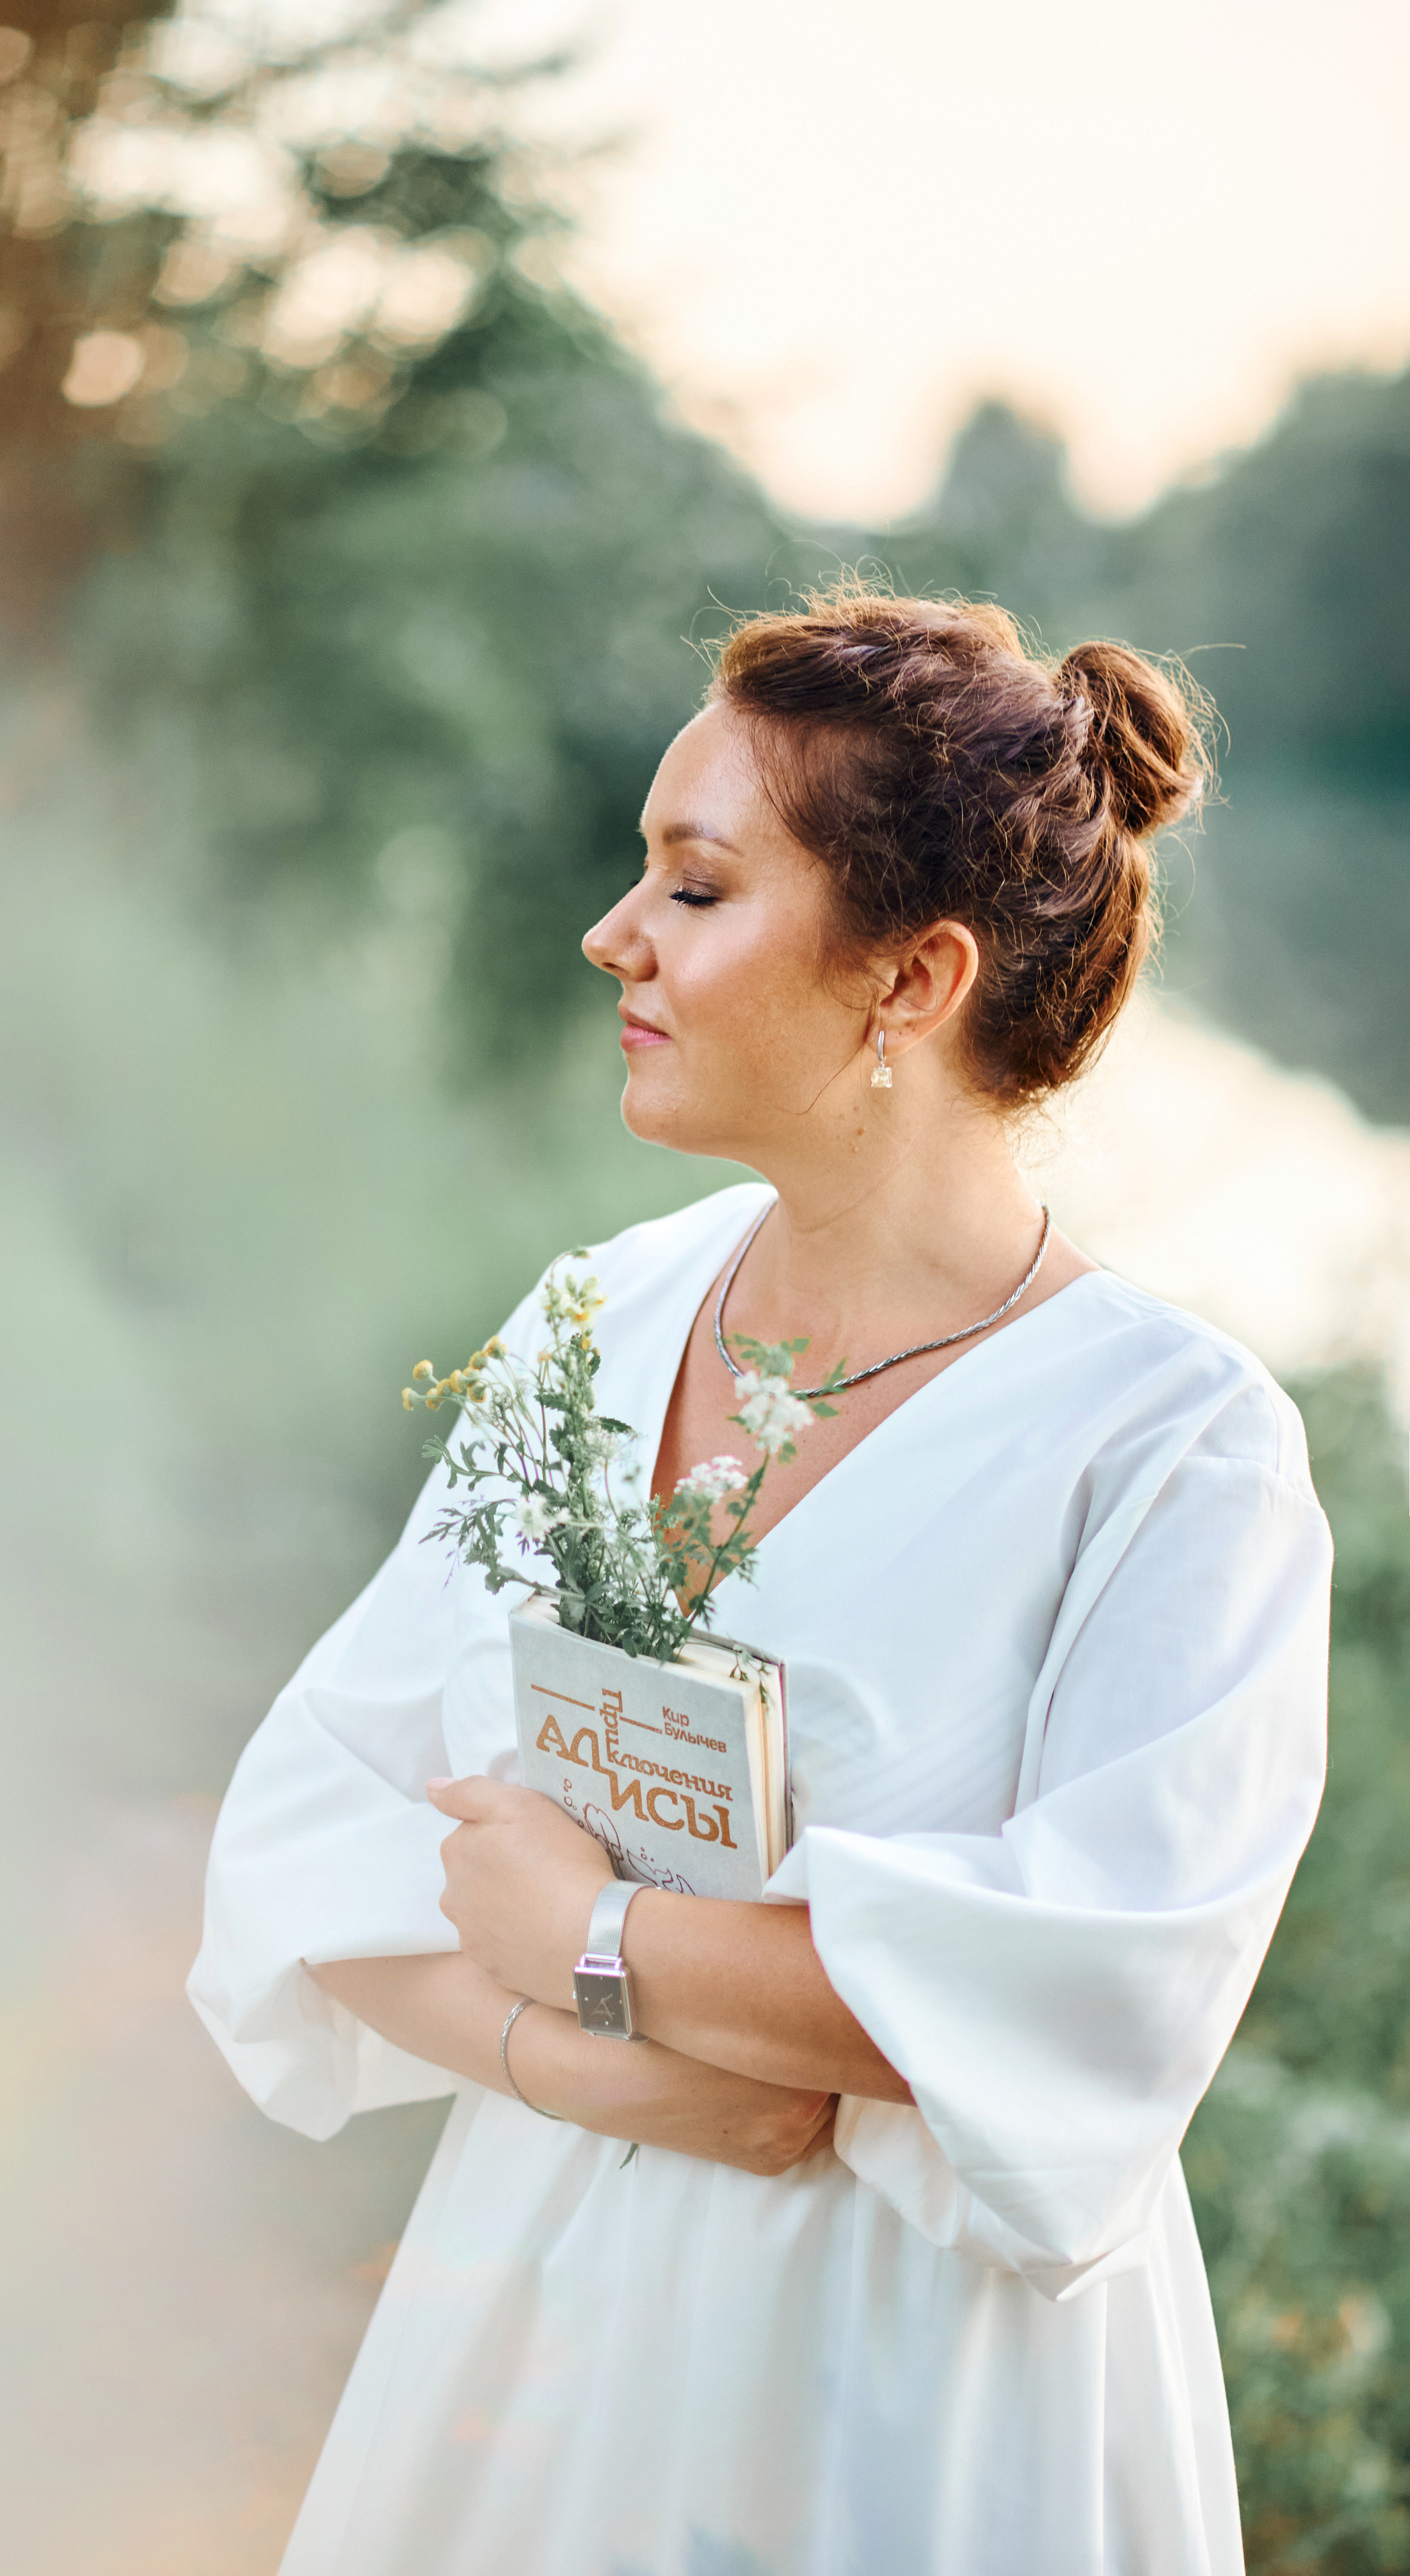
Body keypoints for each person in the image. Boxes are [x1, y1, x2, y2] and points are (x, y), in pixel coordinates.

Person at [189, 588, 1331, 2576]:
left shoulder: (1173, 1449)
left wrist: (601, 1925)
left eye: (697, 888)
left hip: (910, 2404)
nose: (613, 935)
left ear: (913, 979)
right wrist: (609, 2055)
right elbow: (308, 1835)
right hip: (528, 2345)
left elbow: (1103, 1992)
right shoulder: (593, 1324)